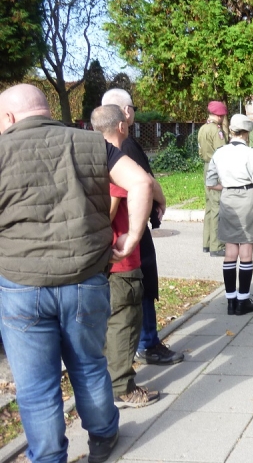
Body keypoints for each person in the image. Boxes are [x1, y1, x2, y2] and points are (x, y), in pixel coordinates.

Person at [0, 84, 153, 463]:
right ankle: (103, 435)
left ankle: (49, 456)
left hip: (21, 284)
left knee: (36, 385)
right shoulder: (91, 143)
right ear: (46, 110)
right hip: (86, 278)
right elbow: (141, 181)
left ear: (9, 117)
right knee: (88, 364)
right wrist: (132, 236)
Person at [101, 89, 184, 366]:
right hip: (126, 232)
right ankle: (147, 343)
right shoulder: (122, 147)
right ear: (125, 114)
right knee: (141, 282)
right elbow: (145, 181)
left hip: (110, 234)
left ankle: (140, 343)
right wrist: (160, 200)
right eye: (133, 108)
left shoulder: (95, 148)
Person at [90, 106, 159, 408]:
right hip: (120, 259)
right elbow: (112, 206)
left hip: (99, 260)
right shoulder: (117, 163)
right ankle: (122, 388)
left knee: (107, 323)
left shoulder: (89, 159)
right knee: (124, 323)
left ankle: (108, 384)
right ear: (121, 126)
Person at [207, 114, 253, 315]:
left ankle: (230, 300)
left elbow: (210, 182)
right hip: (248, 198)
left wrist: (227, 186)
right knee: (246, 252)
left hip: (228, 199)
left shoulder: (219, 153)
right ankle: (243, 300)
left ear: (231, 131)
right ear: (247, 132)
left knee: (230, 252)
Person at [198, 101, 228, 257]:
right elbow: (222, 152)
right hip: (216, 168)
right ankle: (217, 246)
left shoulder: (203, 128)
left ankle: (207, 242)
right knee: (217, 205)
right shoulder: (217, 130)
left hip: (206, 166)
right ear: (219, 115)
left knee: (209, 205)